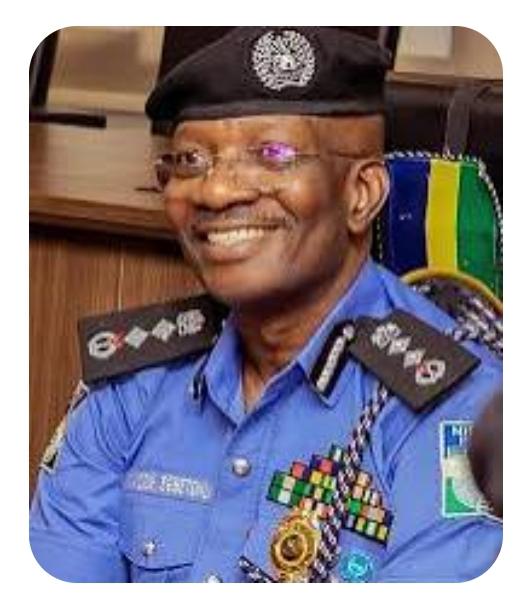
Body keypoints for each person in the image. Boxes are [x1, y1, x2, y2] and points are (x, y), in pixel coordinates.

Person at [30, 27, 502, 583]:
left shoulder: (459, 409)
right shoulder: (133, 384)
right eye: (189, 160)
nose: (216, 192)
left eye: (273, 155)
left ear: (362, 193)